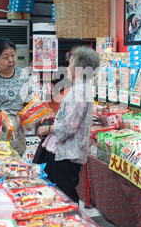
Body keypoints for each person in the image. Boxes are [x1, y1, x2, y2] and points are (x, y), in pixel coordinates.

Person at [36, 46, 100, 203]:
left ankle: (72, 224)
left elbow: (68, 128)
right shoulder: (81, 89)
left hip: (66, 153)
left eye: (70, 64)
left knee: (64, 195)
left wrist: (48, 128)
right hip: (68, 152)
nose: (67, 68)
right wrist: (56, 118)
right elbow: (72, 119)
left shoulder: (79, 91)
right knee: (58, 191)